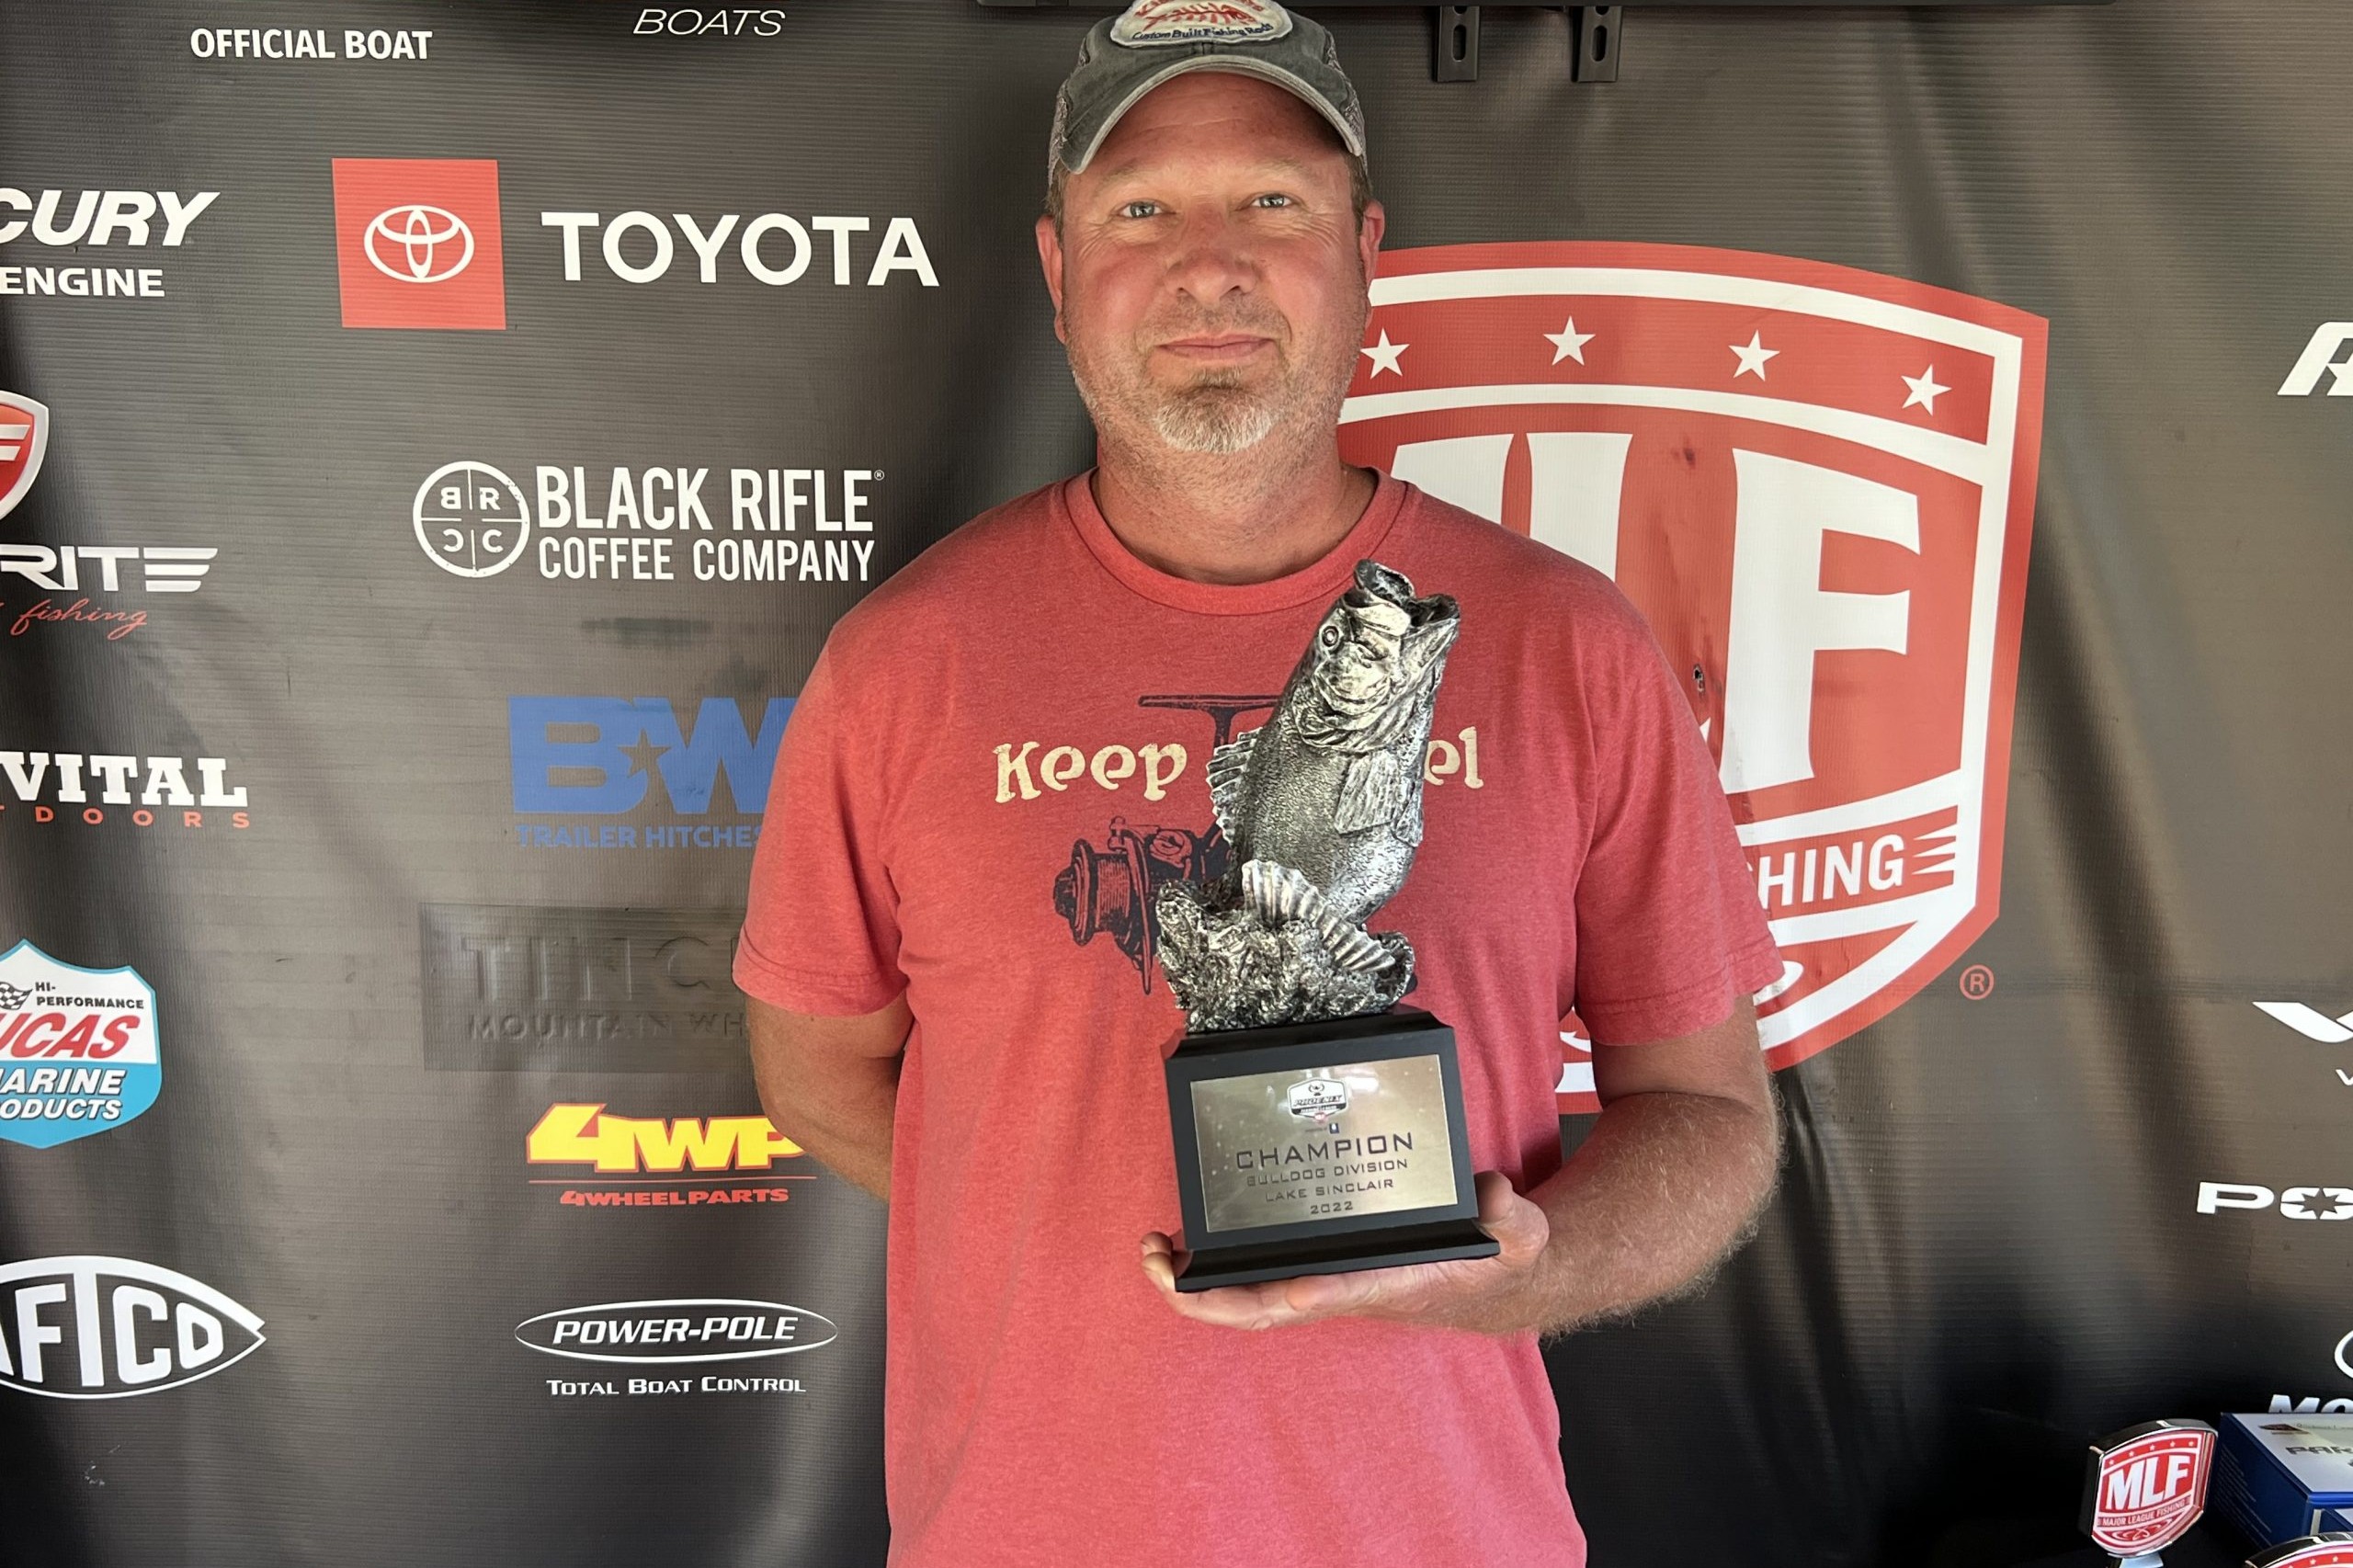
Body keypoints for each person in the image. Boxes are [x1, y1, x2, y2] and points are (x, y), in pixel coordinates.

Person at [738, 2, 1782, 1562]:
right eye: (1140, 209)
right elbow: (820, 1073)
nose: (1208, 264)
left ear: (1364, 255)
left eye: (1273, 202)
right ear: (1057, 273)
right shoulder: (903, 664)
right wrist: (1042, 1206)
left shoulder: (1568, 645)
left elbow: (1706, 1113)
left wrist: (1525, 1267)